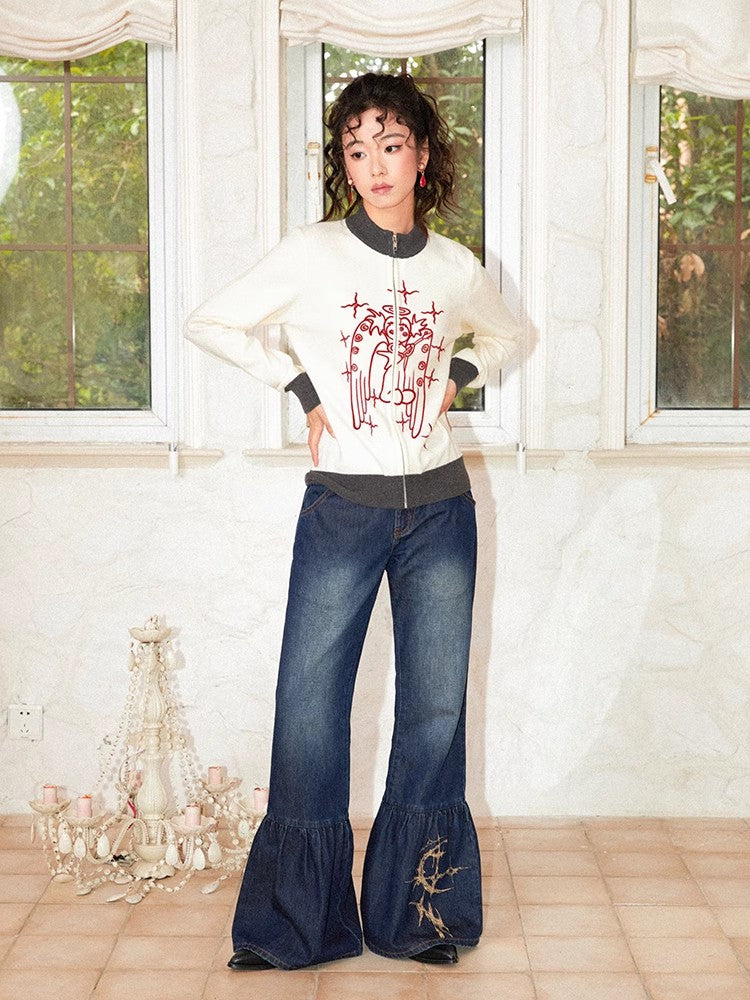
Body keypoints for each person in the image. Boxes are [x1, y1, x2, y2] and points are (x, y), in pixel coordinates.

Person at [184, 71, 520, 971]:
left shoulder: (455, 268)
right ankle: (294, 928)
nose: (375, 164)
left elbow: (506, 336)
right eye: (357, 148)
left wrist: (458, 377)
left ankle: (418, 919)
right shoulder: (312, 253)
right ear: (344, 162)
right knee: (310, 707)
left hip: (441, 510)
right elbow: (212, 321)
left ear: (422, 154)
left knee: (434, 711)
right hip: (343, 508)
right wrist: (300, 387)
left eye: (391, 144)